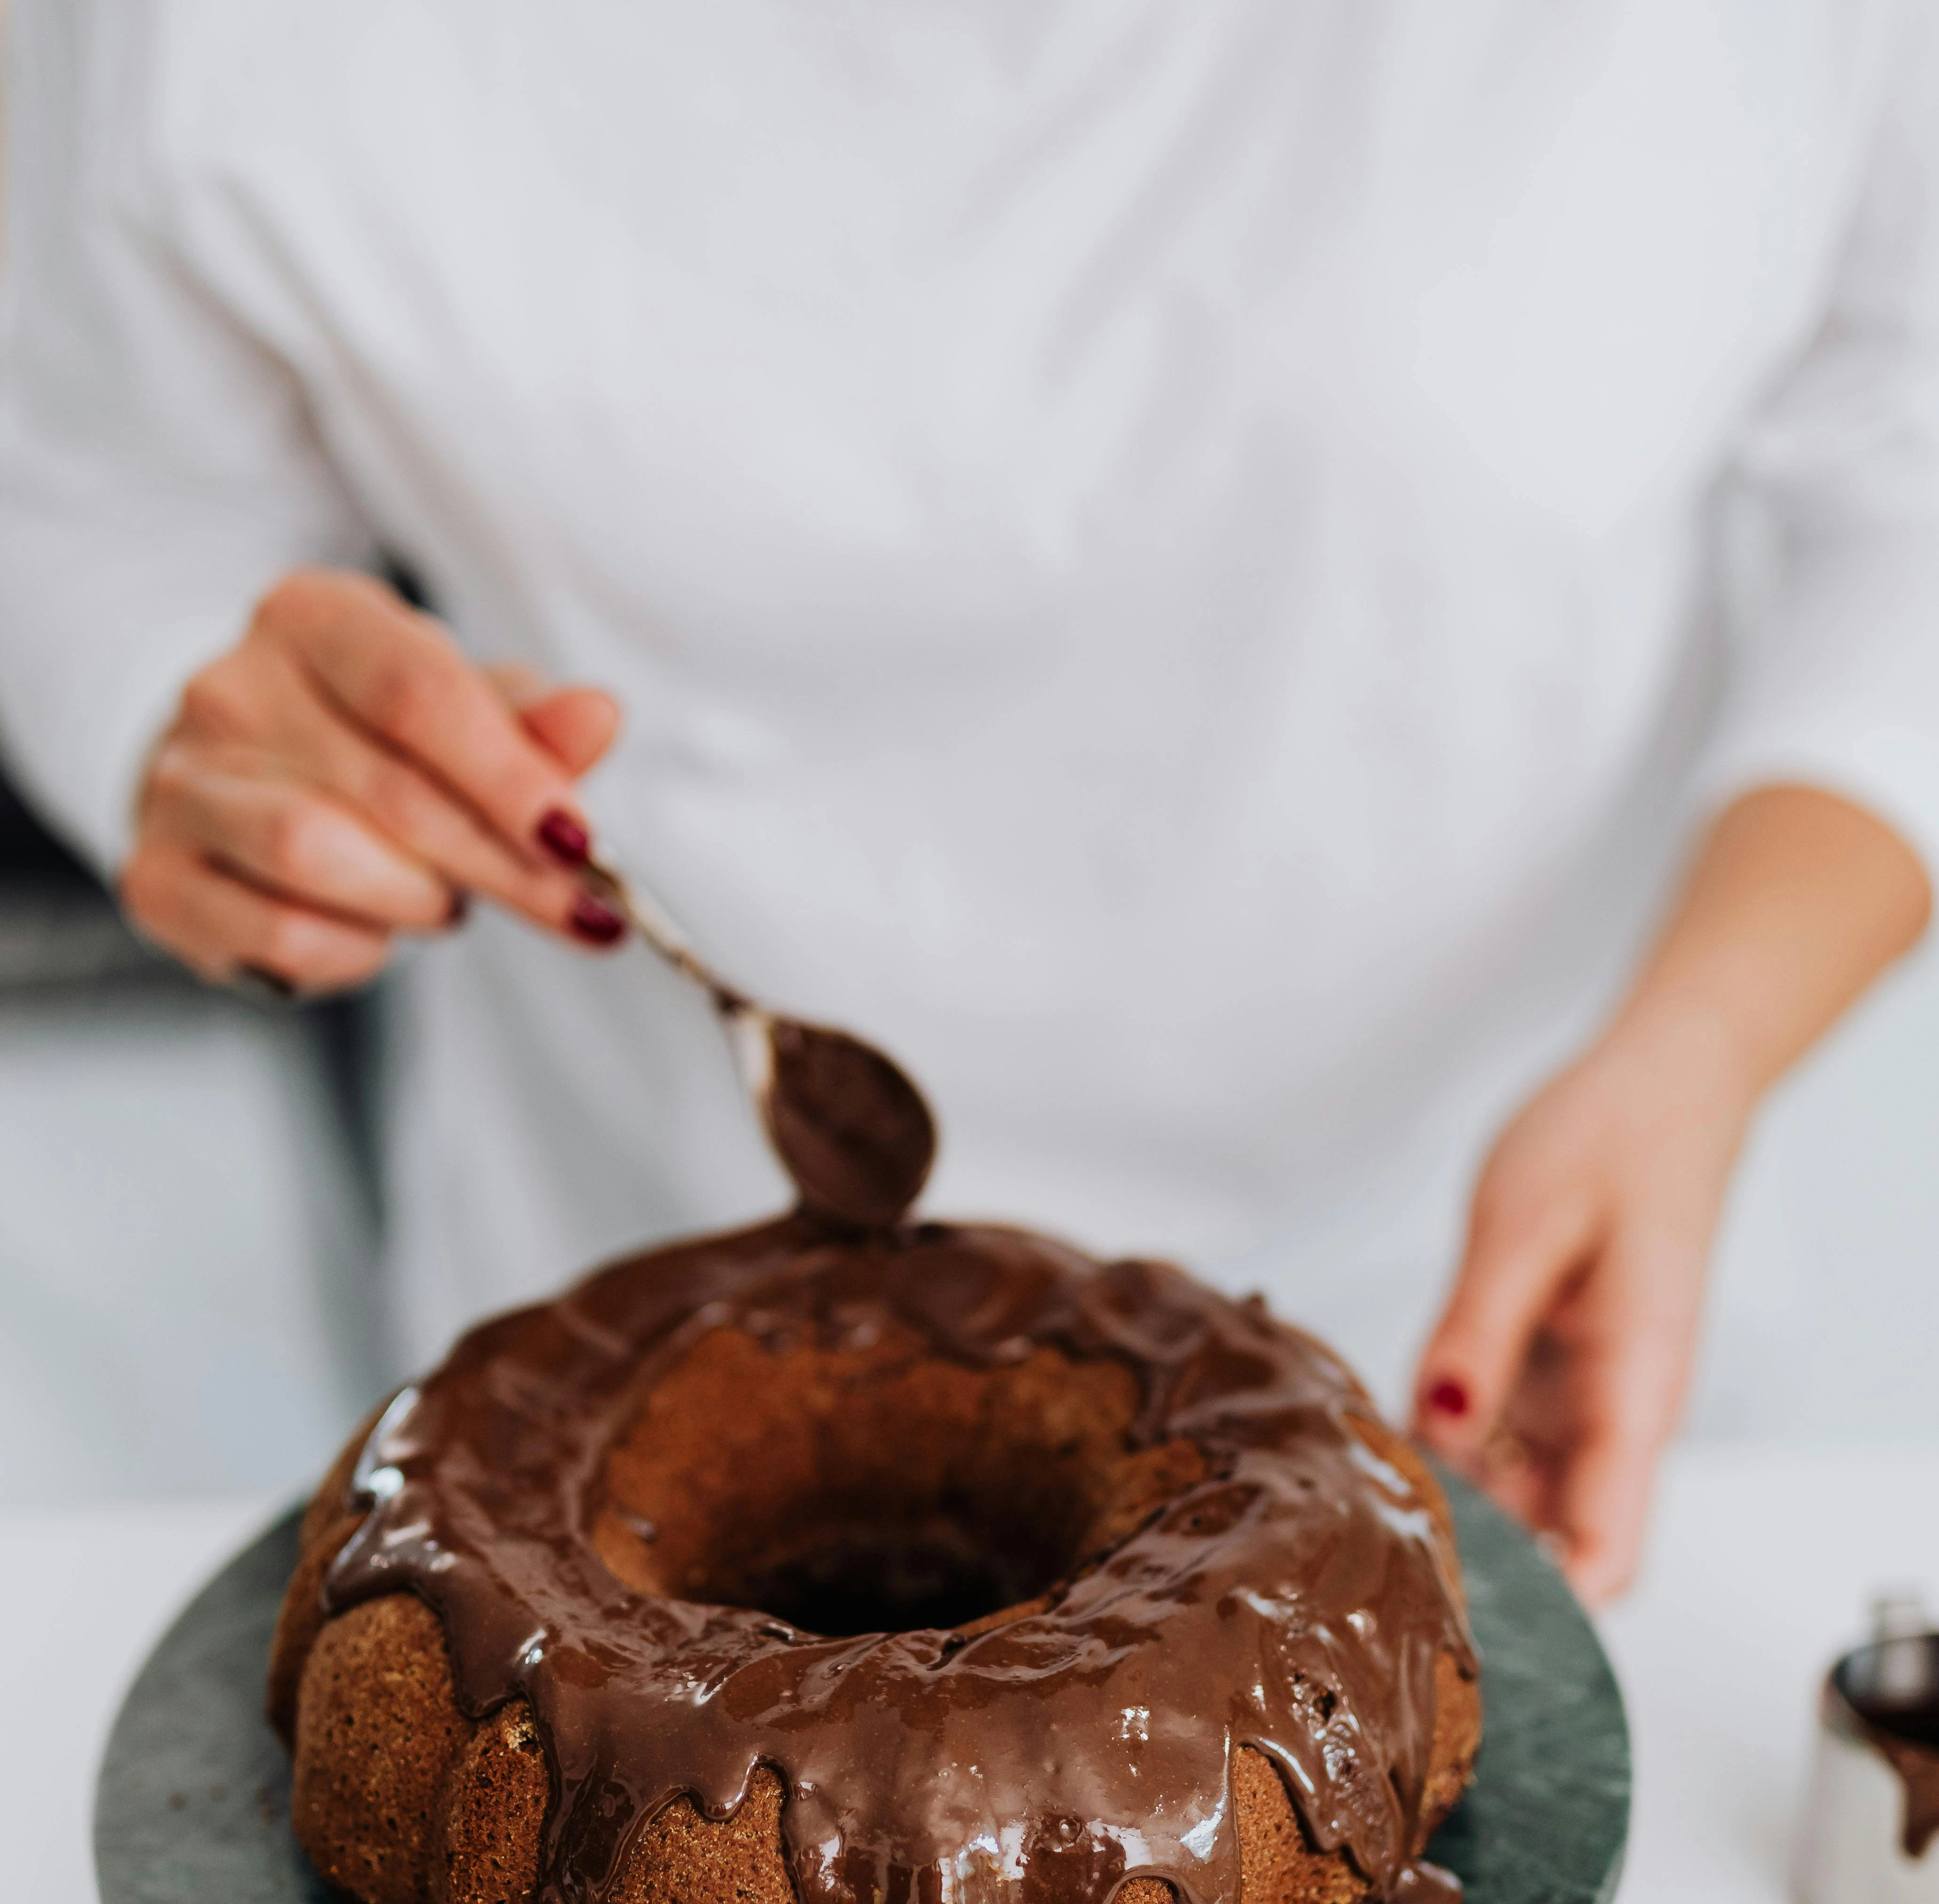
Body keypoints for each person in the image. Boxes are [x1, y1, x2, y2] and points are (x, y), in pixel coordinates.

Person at [2, 1, 1936, 1600]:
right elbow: (94, 509)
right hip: (622, 1360)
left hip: (1495, 1307)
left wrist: (1698, 1047)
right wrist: (200, 731)